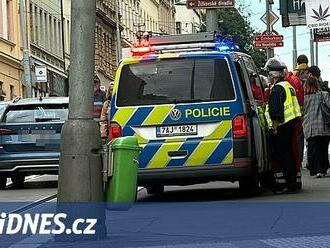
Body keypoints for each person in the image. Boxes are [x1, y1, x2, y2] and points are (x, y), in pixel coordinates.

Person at [265, 58, 302, 194]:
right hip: (291, 123)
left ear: (272, 75)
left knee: (283, 155)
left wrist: (274, 128)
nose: (268, 78)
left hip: (281, 125)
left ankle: (288, 183)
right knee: (290, 154)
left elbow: (275, 112)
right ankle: (292, 182)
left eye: (268, 74)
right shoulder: (288, 86)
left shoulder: (277, 89)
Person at [303, 77, 330, 178]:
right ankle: (323, 169)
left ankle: (317, 170)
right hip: (324, 126)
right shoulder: (324, 95)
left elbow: (302, 112)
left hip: (310, 128)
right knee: (323, 148)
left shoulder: (304, 98)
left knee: (315, 149)